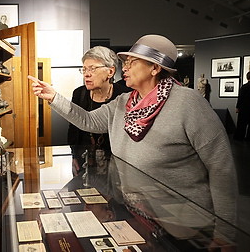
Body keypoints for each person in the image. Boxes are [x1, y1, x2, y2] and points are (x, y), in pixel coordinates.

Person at [28, 34, 237, 244]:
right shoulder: (124, 102)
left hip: (184, 226)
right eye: (124, 63)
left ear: (154, 68)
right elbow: (88, 121)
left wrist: (225, 235)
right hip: (139, 216)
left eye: (132, 62)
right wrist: (54, 97)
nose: (124, 68)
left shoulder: (188, 103)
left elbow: (221, 168)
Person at [67, 46, 131, 176]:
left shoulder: (125, 95)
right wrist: (74, 155)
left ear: (110, 72)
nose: (86, 74)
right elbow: (73, 128)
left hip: (116, 165)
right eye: (84, 69)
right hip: (84, 159)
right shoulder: (79, 93)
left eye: (92, 69)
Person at [234, 71, 250, 141]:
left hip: (243, 108)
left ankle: (239, 138)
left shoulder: (244, 87)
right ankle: (249, 139)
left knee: (241, 125)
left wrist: (237, 107)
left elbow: (240, 98)